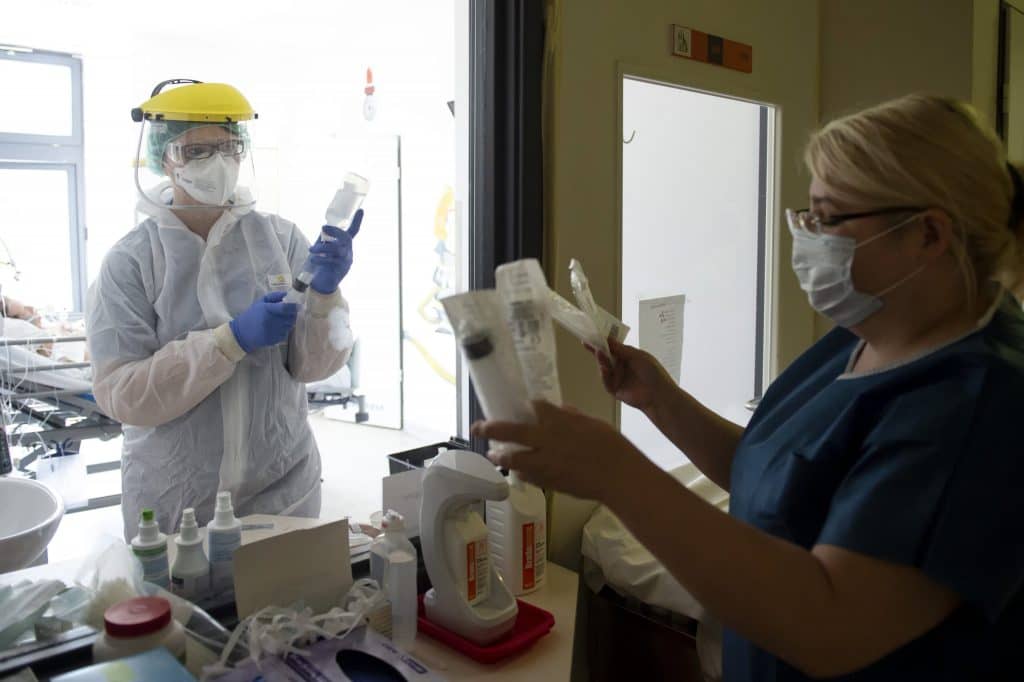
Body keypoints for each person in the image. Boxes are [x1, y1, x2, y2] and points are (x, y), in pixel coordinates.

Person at [473, 94, 1024, 680]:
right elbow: (777, 477)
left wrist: (615, 470)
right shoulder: (872, 330)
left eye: (828, 219)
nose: (807, 237)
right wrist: (661, 400)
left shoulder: (978, 404)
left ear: (928, 234)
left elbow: (832, 626)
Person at [87, 80, 360, 537]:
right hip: (178, 505)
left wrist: (325, 298)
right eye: (196, 151)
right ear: (164, 159)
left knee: (291, 585)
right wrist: (229, 342)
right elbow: (123, 395)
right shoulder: (131, 262)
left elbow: (313, 367)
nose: (217, 162)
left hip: (285, 491)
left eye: (228, 147)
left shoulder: (280, 239)